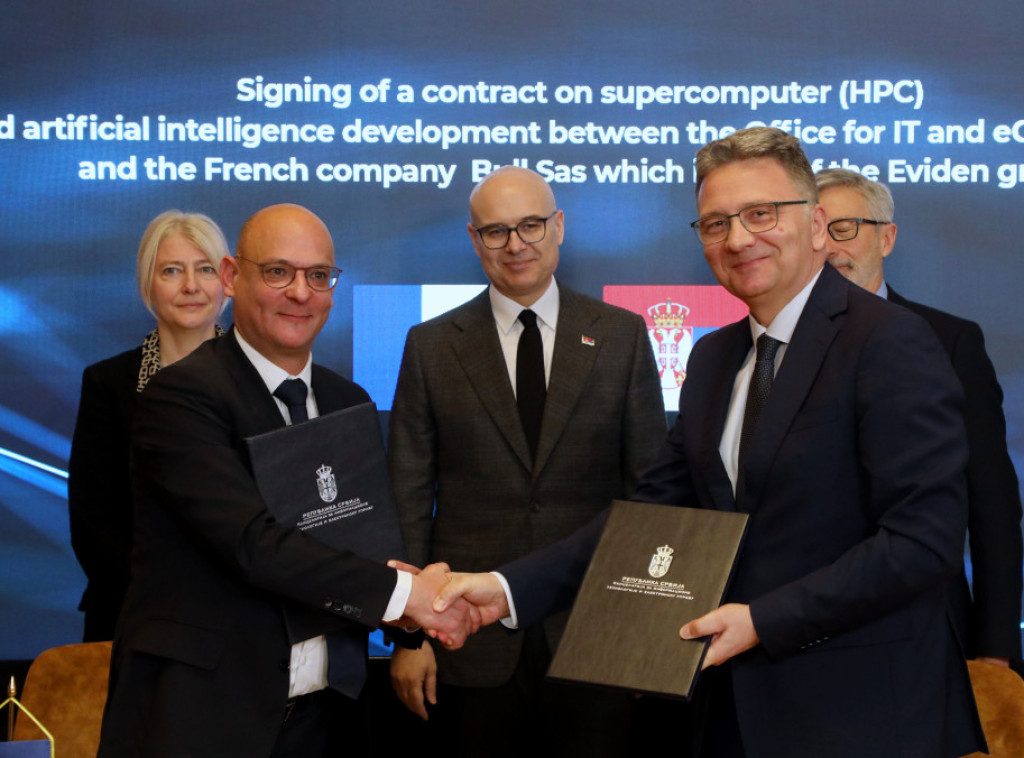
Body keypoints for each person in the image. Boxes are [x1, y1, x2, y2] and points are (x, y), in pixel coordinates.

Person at [434, 129, 986, 758]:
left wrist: (762, 621)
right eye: (716, 223)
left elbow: (924, 541)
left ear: (815, 224)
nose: (738, 239)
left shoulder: (889, 341)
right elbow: (649, 519)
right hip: (732, 713)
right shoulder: (714, 357)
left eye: (761, 214)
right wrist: (507, 588)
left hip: (862, 715)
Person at [97, 204, 476, 757]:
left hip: (330, 717)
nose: (301, 293)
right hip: (208, 720)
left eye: (318, 276)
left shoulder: (347, 401)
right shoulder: (181, 397)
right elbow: (252, 543)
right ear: (232, 277)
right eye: (278, 272)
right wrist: (406, 597)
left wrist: (415, 614)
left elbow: (365, 543)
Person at [387, 166, 665, 755]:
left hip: (596, 633)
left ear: (558, 226)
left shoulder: (622, 336)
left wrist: (648, 635)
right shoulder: (430, 346)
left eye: (531, 225)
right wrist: (410, 637)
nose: (515, 245)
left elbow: (650, 495)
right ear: (474, 239)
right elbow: (408, 496)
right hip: (467, 639)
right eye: (496, 231)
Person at [816, 167, 1023, 667]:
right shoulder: (767, 346)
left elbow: (992, 506)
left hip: (924, 633)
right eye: (816, 232)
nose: (829, 248)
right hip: (800, 632)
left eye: (845, 229)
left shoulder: (950, 341)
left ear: (886, 238)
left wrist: (995, 651)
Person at [68, 210, 229, 642]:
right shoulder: (107, 384)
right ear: (147, 285)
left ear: (227, 282)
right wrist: (167, 603)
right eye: (172, 271)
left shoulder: (261, 381)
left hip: (241, 624)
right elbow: (92, 520)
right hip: (132, 615)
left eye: (206, 269)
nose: (191, 285)